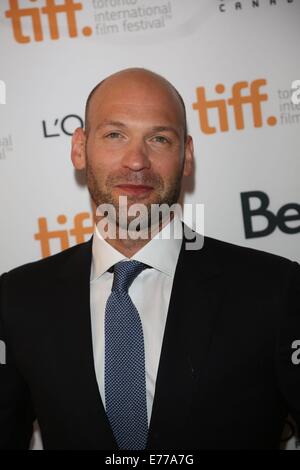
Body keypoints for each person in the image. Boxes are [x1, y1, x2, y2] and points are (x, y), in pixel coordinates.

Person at [0, 68, 299, 451]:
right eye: (114, 135)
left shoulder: (274, 289)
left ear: (186, 156)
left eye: (159, 138)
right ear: (79, 147)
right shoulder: (19, 297)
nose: (137, 160)